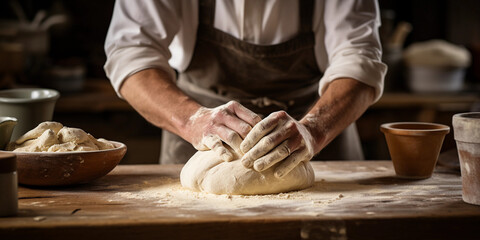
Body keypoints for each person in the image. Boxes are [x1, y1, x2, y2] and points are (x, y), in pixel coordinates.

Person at [104, 0, 387, 178]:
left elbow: (360, 60)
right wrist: (192, 120)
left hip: (316, 126)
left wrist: (314, 130)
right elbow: (130, 53)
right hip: (203, 138)